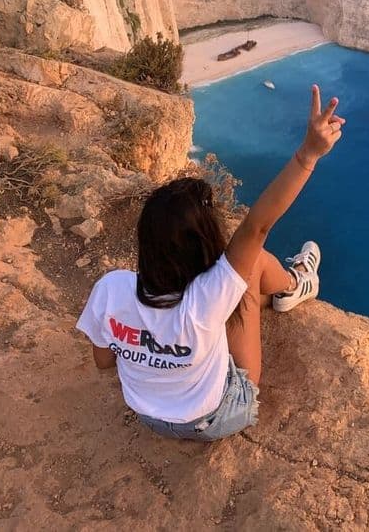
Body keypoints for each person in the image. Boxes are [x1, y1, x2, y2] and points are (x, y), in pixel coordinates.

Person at [76, 84, 344, 441]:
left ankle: (285, 290)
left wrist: (150, 347)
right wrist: (308, 155)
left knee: (234, 288)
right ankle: (297, 284)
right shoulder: (207, 297)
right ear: (202, 243)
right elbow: (257, 226)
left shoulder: (111, 289)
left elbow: (104, 362)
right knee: (252, 267)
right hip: (215, 419)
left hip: (147, 415)